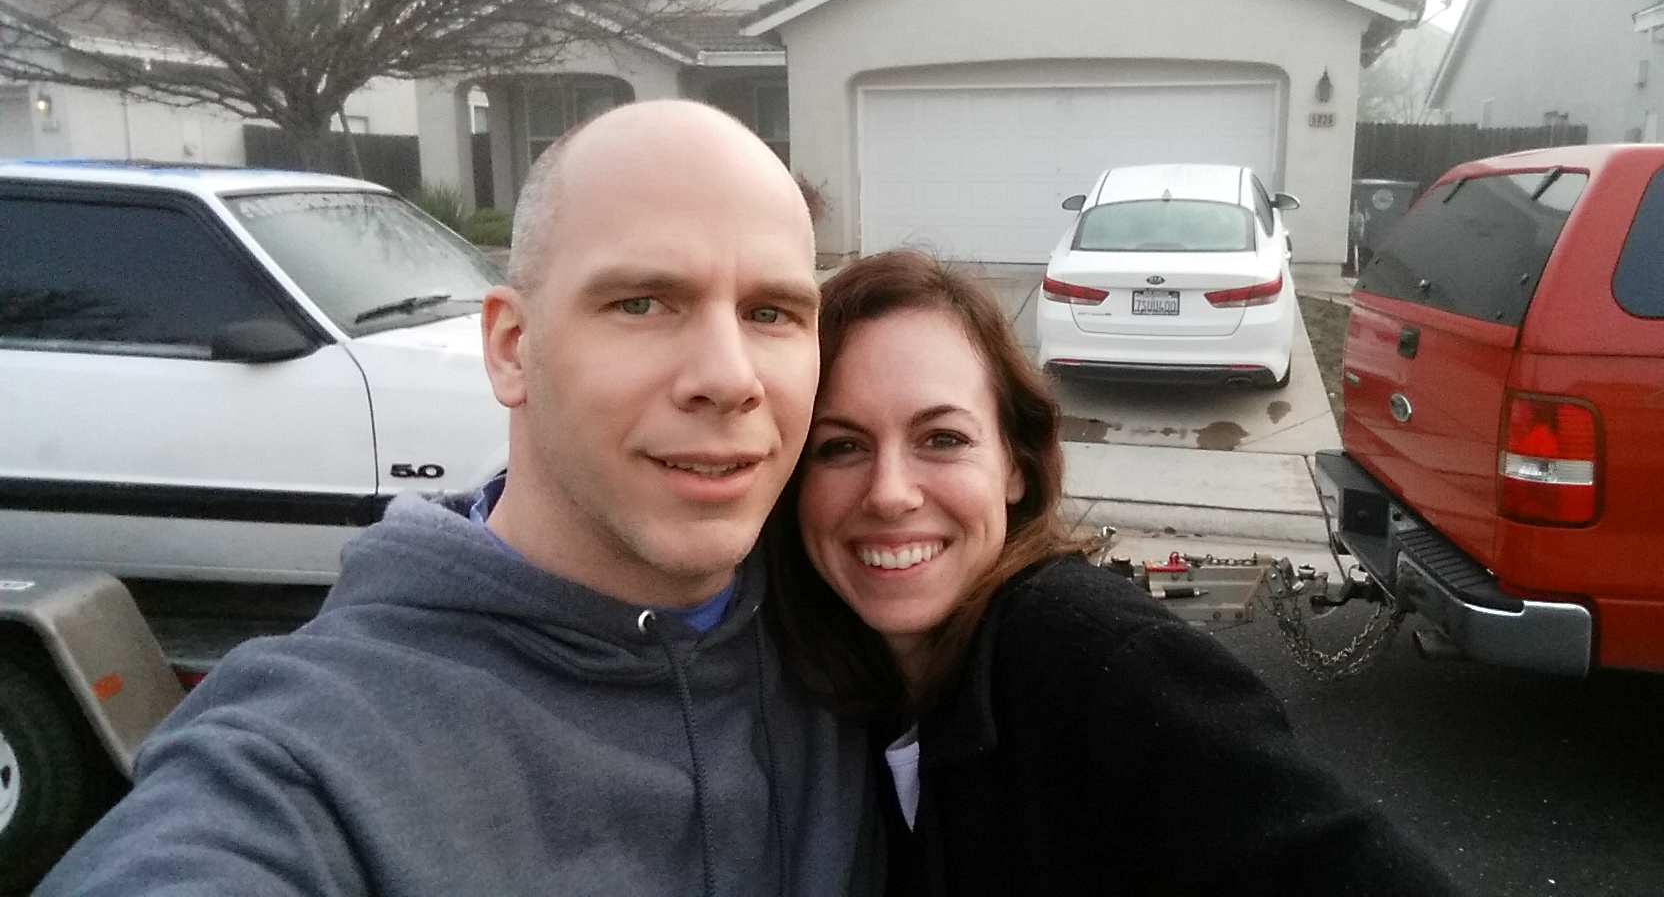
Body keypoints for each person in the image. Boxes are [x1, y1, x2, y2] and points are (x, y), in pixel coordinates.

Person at [36, 101, 874, 897]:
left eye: (772, 312)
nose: (729, 379)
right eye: (642, 303)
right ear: (511, 348)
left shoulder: (860, 627)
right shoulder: (315, 755)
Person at [765, 249, 1460, 897]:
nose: (890, 493)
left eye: (942, 439)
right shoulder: (827, 681)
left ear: (1016, 464)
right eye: (840, 446)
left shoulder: (1093, 657)